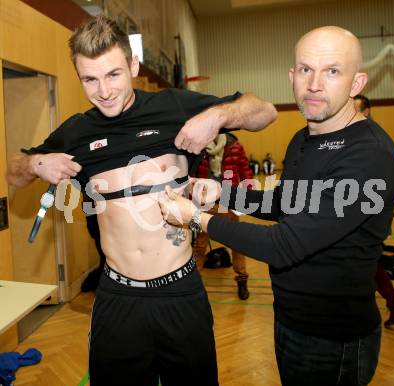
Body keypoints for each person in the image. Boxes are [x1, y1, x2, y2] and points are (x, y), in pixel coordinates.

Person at [6, 16, 277, 386]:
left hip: (179, 293)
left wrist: (215, 116)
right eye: (90, 79)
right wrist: (38, 162)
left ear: (133, 65)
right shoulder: (77, 131)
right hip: (117, 297)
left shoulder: (175, 106)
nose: (103, 90)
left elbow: (265, 111)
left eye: (114, 75)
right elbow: (14, 173)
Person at [159, 26, 394, 385]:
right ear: (292, 77)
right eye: (306, 69)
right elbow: (285, 202)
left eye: (332, 71)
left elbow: (284, 245)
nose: (315, 84)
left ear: (357, 83)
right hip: (291, 319)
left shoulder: (369, 157)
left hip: (334, 339)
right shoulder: (303, 138)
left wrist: (197, 219)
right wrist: (221, 193)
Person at [354, 94, 394, 327]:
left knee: (365, 264)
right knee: (371, 264)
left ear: (367, 110)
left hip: (371, 216)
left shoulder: (374, 140)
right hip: (365, 214)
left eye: (356, 109)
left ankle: (391, 307)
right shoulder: (360, 136)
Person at [192, 133, 253, 300]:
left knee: (237, 243)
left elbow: (245, 171)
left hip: (229, 199)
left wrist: (248, 196)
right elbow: (193, 173)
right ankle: (194, 283)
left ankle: (242, 280)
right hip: (205, 201)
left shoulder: (235, 146)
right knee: (200, 244)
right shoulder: (199, 145)